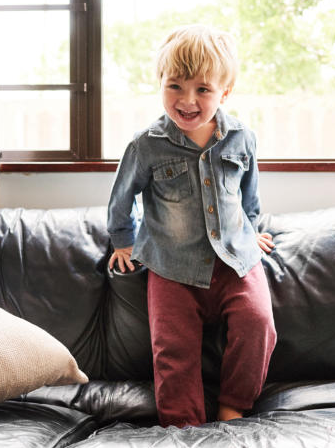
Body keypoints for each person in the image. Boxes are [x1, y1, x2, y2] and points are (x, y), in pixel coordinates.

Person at [107, 24, 277, 427]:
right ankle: (183, 428)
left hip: (235, 260)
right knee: (173, 348)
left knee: (258, 324)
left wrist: (252, 229)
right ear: (160, 84)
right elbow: (122, 196)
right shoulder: (145, 144)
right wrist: (122, 239)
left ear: (225, 93)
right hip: (171, 267)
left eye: (202, 89)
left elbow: (248, 193)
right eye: (175, 86)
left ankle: (234, 405)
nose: (187, 100)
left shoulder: (242, 138)